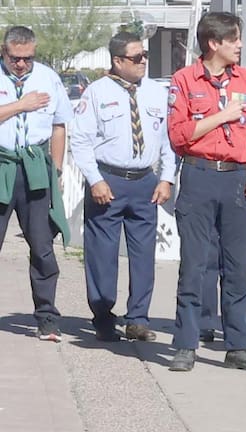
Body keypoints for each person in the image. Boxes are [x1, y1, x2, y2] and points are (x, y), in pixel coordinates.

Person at [166, 12, 246, 372]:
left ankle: (239, 344)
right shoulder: (183, 80)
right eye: (235, 39)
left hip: (238, 177)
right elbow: (179, 135)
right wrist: (222, 116)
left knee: (237, 266)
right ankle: (185, 344)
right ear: (214, 43)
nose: (240, 45)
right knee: (195, 264)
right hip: (200, 174)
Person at [70, 32, 176, 342]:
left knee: (143, 254)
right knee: (102, 253)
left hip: (144, 181)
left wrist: (166, 178)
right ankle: (103, 314)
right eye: (136, 57)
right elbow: (81, 140)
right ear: (117, 61)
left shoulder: (157, 92)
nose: (143, 61)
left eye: (145, 56)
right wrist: (95, 179)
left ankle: (138, 318)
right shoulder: (97, 93)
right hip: (109, 179)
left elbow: (168, 140)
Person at [0, 25, 70, 342]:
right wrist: (19, 105)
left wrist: (55, 168)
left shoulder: (48, 77)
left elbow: (58, 125)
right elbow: (22, 108)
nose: (22, 65)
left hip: (35, 168)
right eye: (16, 59)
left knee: (42, 247)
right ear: (4, 52)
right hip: (3, 164)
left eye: (28, 58)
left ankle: (47, 318)